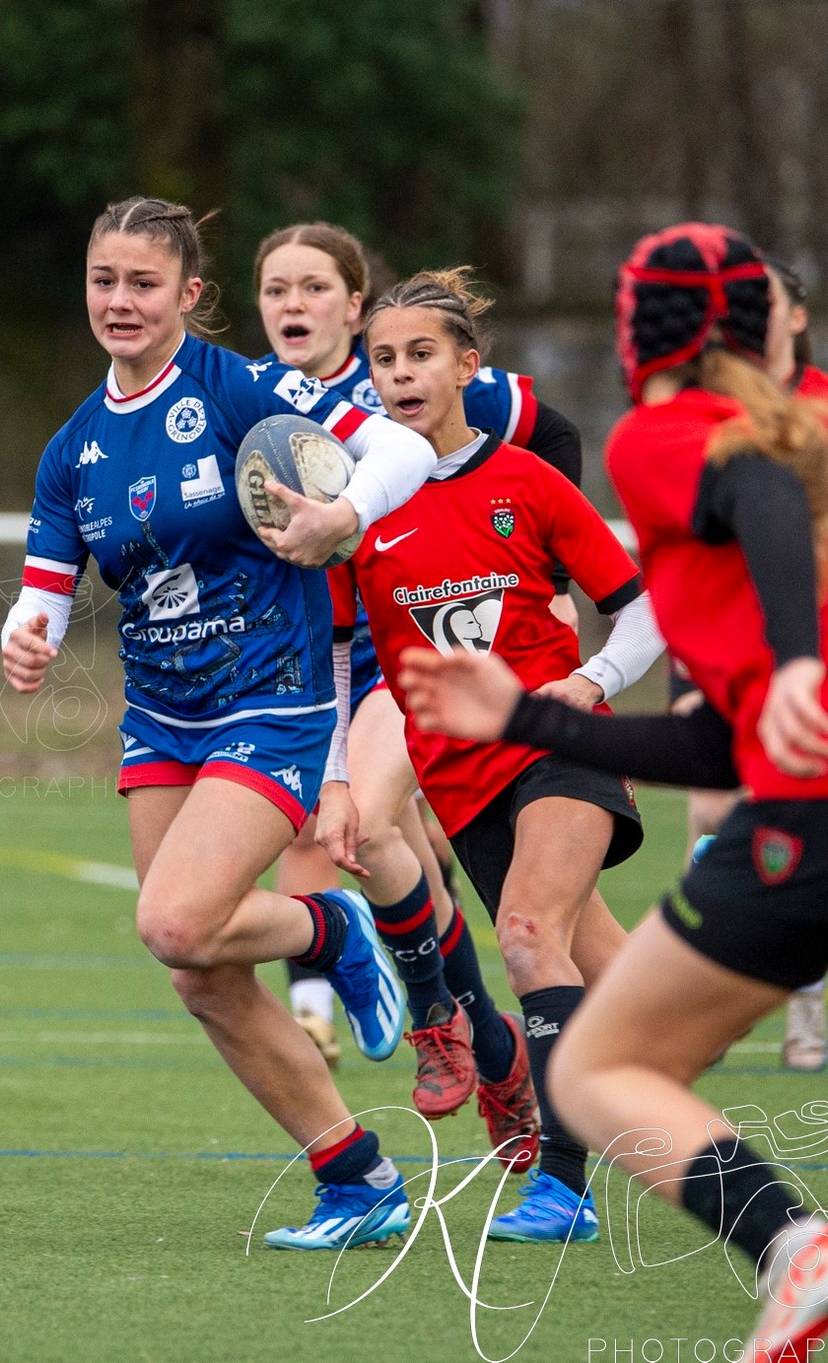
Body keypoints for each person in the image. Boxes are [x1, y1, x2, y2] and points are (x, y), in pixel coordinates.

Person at [397, 223, 828, 1355]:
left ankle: (793, 1247)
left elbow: (754, 494)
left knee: (601, 1068)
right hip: (824, 786)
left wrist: (800, 658)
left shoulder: (666, 436)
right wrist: (523, 716)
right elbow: (722, 742)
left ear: (635, 333)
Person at [1, 197, 441, 1250]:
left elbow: (402, 452)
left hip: (272, 696)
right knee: (195, 969)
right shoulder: (71, 447)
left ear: (188, 296)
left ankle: (329, 926)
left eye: (142, 283)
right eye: (104, 280)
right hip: (161, 714)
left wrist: (341, 513)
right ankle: (357, 1177)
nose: (119, 300)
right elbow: (46, 587)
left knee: (171, 921)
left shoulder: (236, 386)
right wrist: (28, 633)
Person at [318, 267, 665, 1240]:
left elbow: (641, 610)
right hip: (457, 786)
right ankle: (685, 1044)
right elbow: (343, 664)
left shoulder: (526, 481)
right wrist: (341, 780)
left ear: (468, 365)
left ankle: (560, 1184)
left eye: (419, 353)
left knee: (521, 932)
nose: (399, 373)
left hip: (557, 750)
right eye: (382, 359)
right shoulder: (360, 518)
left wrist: (590, 682)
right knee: (599, 967)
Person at [254, 223, 578, 1130]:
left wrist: (543, 579)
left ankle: (497, 1038)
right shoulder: (251, 398)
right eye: (276, 290)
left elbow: (549, 430)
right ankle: (484, 1040)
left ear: (355, 305)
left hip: (413, 659)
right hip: (321, 654)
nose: (293, 306)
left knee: (369, 836)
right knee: (358, 838)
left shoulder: (405, 376)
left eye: (314, 288)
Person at [671, 256, 828, 1070]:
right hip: (724, 640)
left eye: (758, 301)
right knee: (708, 813)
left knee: (797, 811)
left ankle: (803, 997)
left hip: (817, 646)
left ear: (796, 316)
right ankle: (715, 991)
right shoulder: (705, 409)